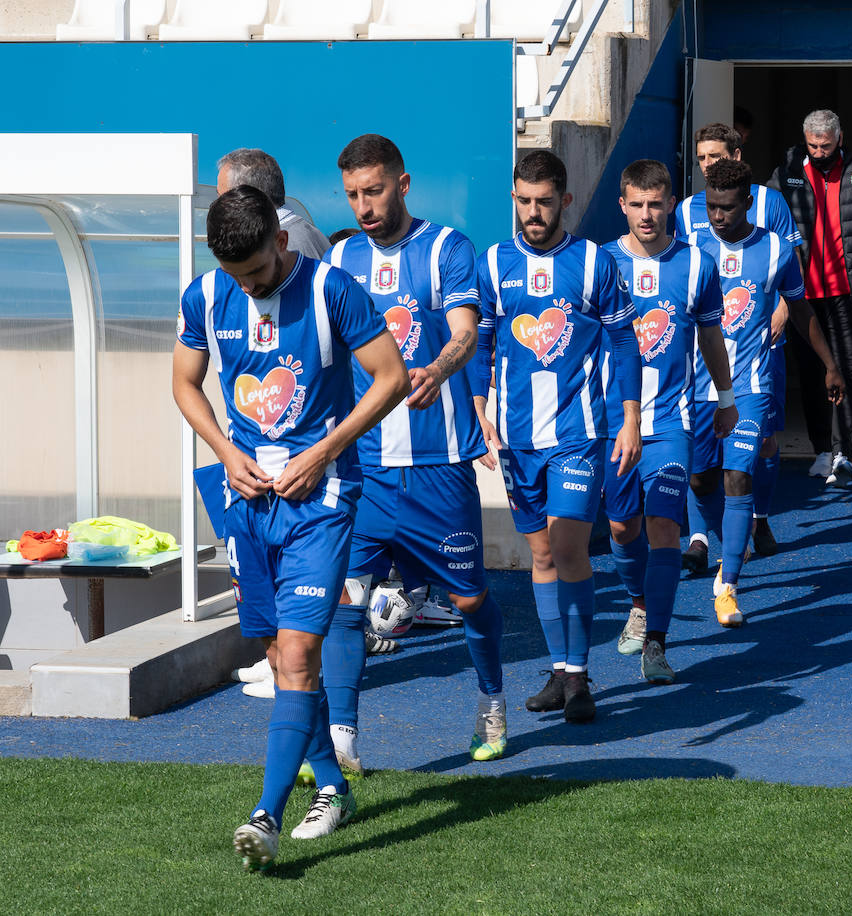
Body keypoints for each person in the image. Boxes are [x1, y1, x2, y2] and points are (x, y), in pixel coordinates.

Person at [172, 186, 408, 867]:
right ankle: (334, 788)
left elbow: (390, 377)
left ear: (280, 241)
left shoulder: (334, 290)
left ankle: (265, 817)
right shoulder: (206, 297)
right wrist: (223, 449)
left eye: (257, 273)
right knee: (279, 657)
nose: (246, 287)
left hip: (322, 497)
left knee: (299, 657)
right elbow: (186, 382)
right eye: (234, 276)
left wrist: (323, 451)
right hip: (247, 499)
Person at [318, 134, 507, 776]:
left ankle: (491, 699)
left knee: (472, 600)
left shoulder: (448, 248)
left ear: (403, 183)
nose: (364, 205)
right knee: (346, 598)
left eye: (373, 190)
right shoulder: (341, 258)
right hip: (365, 469)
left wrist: (437, 368)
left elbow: (465, 334)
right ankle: (342, 738)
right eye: (352, 195)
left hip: (437, 467)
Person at [473, 150, 641, 724]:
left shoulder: (595, 262)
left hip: (579, 433)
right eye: (524, 201)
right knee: (540, 553)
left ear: (565, 201)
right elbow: (483, 343)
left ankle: (580, 678)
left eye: (544, 202)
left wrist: (631, 418)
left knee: (568, 546)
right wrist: (480, 410)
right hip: (519, 440)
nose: (534, 212)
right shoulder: (493, 263)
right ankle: (563, 670)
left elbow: (625, 344)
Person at [688, 158, 844, 625]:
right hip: (694, 388)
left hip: (752, 386)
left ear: (749, 204)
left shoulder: (776, 249)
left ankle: (728, 585)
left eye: (729, 208)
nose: (719, 216)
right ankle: (729, 542)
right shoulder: (690, 247)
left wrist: (830, 364)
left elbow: (800, 310)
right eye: (713, 207)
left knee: (739, 474)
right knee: (701, 480)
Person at [603, 159, 737, 682]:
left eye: (655, 204)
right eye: (636, 204)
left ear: (671, 205)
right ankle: (639, 602)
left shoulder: (696, 264)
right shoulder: (601, 263)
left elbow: (710, 338)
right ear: (623, 205)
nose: (646, 214)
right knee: (621, 527)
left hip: (672, 422)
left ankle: (656, 643)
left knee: (664, 527)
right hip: (613, 423)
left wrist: (725, 398)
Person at [677, 122, 801, 563]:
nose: (709, 165)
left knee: (762, 446)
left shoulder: (772, 205)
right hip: (702, 365)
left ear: (736, 155)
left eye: (716, 156)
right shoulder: (688, 214)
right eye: (702, 159)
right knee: (701, 472)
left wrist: (780, 316)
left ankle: (755, 521)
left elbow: (788, 279)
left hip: (759, 352)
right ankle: (701, 538)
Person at [769, 109, 852, 486]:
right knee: (811, 372)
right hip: (802, 295)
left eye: (825, 145)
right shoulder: (787, 174)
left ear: (839, 138)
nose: (818, 152)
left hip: (850, 290)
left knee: (846, 370)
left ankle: (844, 450)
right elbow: (767, 226)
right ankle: (821, 449)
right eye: (812, 145)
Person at [216, 148, 331, 258]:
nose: (219, 206)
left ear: (247, 198)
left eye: (222, 198)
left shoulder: (279, 248)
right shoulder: (310, 233)